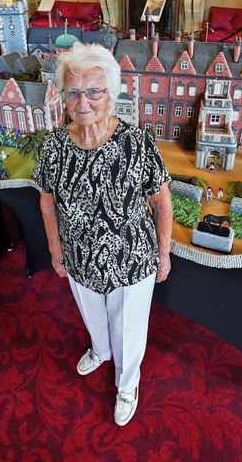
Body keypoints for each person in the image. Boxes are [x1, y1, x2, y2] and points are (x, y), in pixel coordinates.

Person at [36, 41, 172, 427]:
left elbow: (162, 204)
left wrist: (163, 255)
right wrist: (55, 250)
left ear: (110, 94)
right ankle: (100, 349)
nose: (84, 101)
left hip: (132, 259)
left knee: (129, 329)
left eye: (94, 90)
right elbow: (47, 203)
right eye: (74, 91)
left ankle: (128, 383)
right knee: (92, 316)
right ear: (63, 97)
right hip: (78, 256)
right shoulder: (54, 147)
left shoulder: (138, 143)